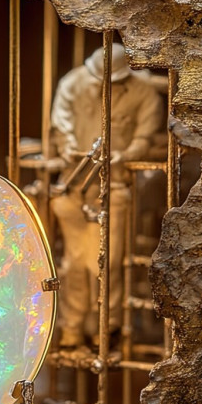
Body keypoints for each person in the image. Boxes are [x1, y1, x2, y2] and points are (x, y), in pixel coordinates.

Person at [49, 44, 164, 350]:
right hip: (74, 187)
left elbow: (145, 135)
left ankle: (105, 327)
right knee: (74, 262)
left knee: (106, 263)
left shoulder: (144, 93)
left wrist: (125, 155)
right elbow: (61, 122)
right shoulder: (73, 83)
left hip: (114, 189)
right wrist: (68, 146)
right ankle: (72, 328)